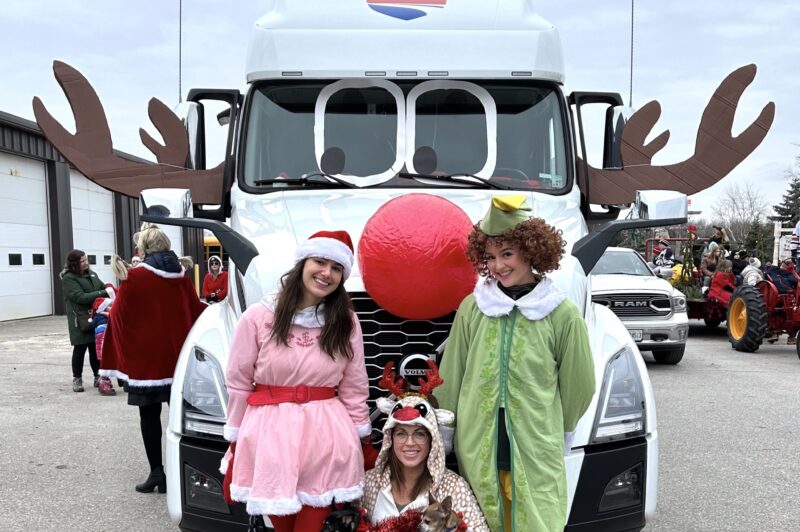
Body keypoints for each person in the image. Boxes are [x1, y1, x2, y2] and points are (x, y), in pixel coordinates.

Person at [436, 196, 596, 531]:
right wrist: (447, 431)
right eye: (491, 257)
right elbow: (451, 374)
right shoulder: (473, 308)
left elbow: (578, 383)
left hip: (536, 444)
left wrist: (555, 428)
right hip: (478, 443)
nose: (498, 265)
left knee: (537, 518)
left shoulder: (560, 313)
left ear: (531, 252)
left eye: (506, 254)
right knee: (481, 518)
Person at [221, 230, 370, 532]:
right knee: (282, 527)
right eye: (320, 262)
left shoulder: (346, 321)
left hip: (326, 437)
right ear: (303, 263)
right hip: (269, 435)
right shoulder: (258, 318)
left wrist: (361, 437)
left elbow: (354, 385)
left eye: (337, 268)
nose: (326, 273)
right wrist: (235, 441)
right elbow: (238, 382)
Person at [100, 223, 206, 493]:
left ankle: (157, 473)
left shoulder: (135, 277)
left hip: (146, 364)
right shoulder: (182, 276)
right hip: (178, 360)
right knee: (181, 417)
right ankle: (185, 472)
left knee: (149, 416)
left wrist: (121, 352)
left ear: (144, 247)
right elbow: (194, 310)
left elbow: (119, 316)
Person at [362, 363, 488, 531]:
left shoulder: (453, 486)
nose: (410, 442)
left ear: (432, 439)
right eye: (401, 433)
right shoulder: (369, 482)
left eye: (419, 433)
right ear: (390, 439)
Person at [60, 249, 113, 392]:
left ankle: (98, 376)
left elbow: (102, 286)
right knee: (80, 348)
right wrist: (103, 293)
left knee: (95, 349)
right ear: (74, 264)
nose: (85, 263)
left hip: (95, 316)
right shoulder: (69, 278)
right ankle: (77, 378)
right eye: (82, 261)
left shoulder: (92, 274)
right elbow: (80, 297)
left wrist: (108, 287)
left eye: (86, 260)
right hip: (80, 319)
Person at [91, 287, 117, 396]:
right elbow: (101, 337)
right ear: (103, 309)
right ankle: (104, 384)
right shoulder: (102, 319)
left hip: (107, 348)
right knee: (104, 368)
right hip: (103, 349)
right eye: (109, 306)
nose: (112, 308)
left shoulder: (106, 317)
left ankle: (110, 381)